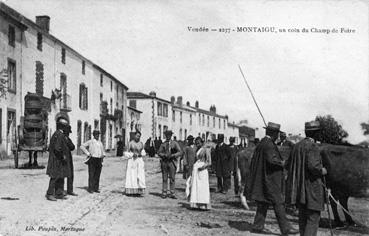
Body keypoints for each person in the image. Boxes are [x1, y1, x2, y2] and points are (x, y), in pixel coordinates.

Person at [248, 122, 298, 235]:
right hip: (270, 179)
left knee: (263, 202)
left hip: (263, 178)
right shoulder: (269, 144)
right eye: (277, 134)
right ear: (274, 133)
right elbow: (272, 160)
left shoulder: (262, 142)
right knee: (278, 202)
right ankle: (286, 229)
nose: (278, 136)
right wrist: (283, 163)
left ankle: (257, 226)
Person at [286, 121, 327, 236]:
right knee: (313, 219)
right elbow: (313, 166)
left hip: (300, 191)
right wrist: (322, 170)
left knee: (302, 218)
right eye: (318, 132)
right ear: (315, 134)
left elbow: (288, 164)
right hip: (312, 190)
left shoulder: (297, 146)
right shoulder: (313, 146)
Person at [45, 115, 71, 201]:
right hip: (57, 159)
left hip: (56, 158)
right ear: (62, 126)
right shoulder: (59, 135)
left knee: (60, 176)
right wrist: (63, 156)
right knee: (55, 176)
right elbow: (57, 148)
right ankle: (50, 194)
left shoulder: (57, 133)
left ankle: (59, 193)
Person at [187, 137, 212, 210]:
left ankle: (203, 204)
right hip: (196, 169)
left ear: (202, 142)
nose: (197, 144)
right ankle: (196, 203)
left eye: (199, 143)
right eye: (196, 143)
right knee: (196, 186)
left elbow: (209, 162)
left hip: (202, 170)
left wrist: (203, 167)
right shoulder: (196, 150)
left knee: (202, 187)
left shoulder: (206, 149)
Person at [158, 130, 182, 199]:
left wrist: (174, 155)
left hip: (172, 162)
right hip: (165, 162)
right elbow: (159, 152)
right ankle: (164, 192)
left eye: (169, 135)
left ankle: (172, 192)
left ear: (171, 136)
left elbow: (180, 152)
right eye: (167, 135)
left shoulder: (175, 143)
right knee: (164, 178)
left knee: (172, 178)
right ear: (165, 136)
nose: (168, 136)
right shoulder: (163, 144)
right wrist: (164, 155)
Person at [124, 131, 146, 195]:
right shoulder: (130, 143)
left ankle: (139, 190)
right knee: (132, 175)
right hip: (132, 160)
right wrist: (132, 154)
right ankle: (131, 190)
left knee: (140, 175)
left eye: (139, 136)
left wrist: (141, 154)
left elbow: (143, 152)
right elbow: (125, 152)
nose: (138, 137)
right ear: (134, 136)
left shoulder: (141, 143)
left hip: (139, 160)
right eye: (137, 136)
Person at [64, 124, 77, 196]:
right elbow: (72, 147)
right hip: (65, 158)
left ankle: (69, 190)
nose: (68, 133)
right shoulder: (65, 139)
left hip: (67, 158)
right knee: (67, 174)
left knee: (70, 174)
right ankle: (68, 190)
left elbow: (73, 147)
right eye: (68, 132)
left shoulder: (66, 138)